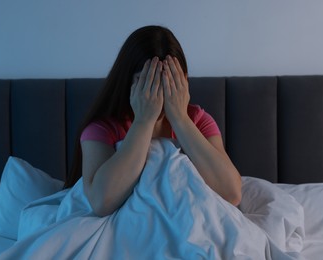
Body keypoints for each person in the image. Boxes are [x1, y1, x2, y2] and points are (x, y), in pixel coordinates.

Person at [65, 25, 242, 217]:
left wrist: (180, 119)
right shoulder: (102, 128)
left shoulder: (198, 121)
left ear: (184, 81)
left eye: (169, 80)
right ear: (128, 82)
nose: (159, 90)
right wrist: (144, 121)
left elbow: (231, 193)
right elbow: (101, 202)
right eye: (146, 81)